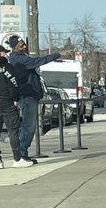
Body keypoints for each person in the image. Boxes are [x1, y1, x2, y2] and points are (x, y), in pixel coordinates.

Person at [6, 35, 65, 164]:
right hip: (27, 95)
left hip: (29, 95)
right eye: (21, 45)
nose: (24, 46)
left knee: (29, 125)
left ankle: (23, 153)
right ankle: (22, 153)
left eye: (24, 44)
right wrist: (57, 54)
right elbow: (38, 61)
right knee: (29, 126)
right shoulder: (19, 59)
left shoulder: (19, 58)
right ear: (14, 46)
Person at [0, 43, 32, 170]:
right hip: (7, 103)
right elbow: (13, 85)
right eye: (5, 53)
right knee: (13, 131)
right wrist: (15, 99)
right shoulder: (8, 68)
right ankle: (17, 159)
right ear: (2, 54)